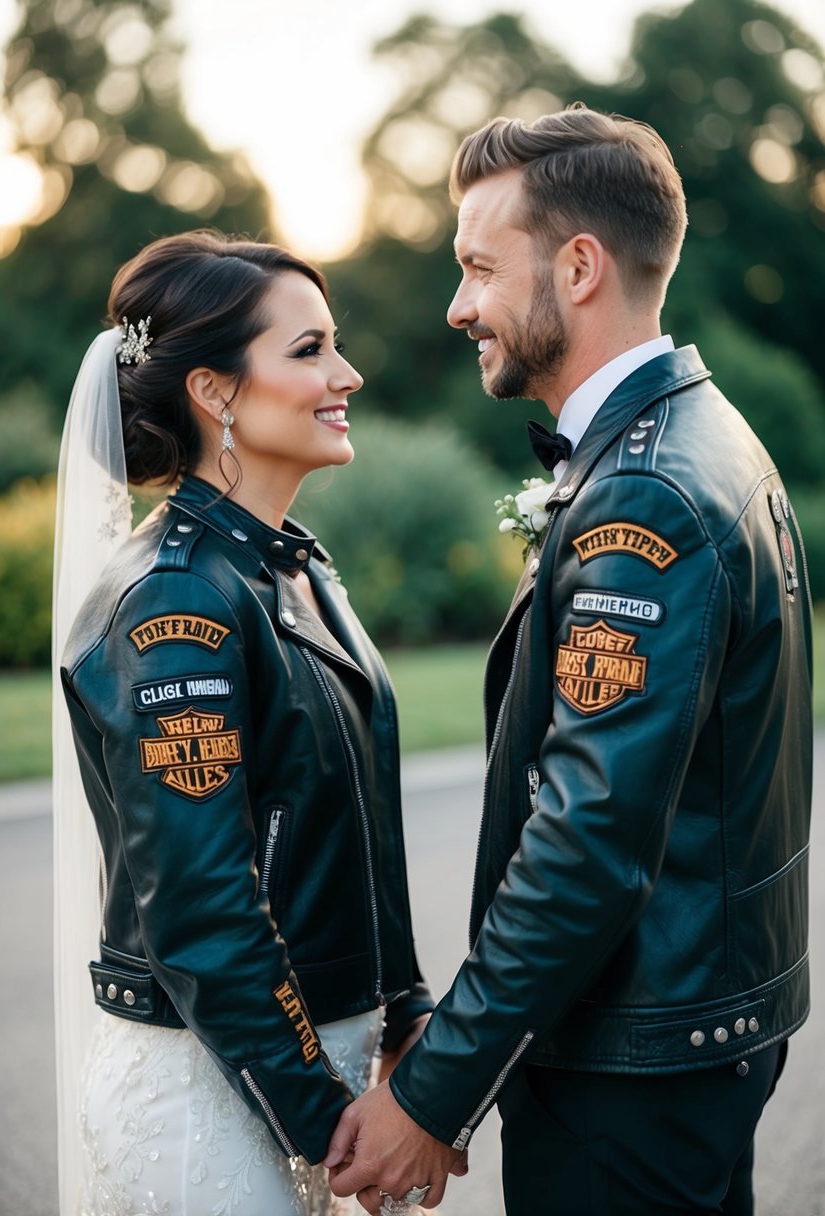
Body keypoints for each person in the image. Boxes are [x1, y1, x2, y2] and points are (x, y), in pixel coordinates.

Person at [325, 105, 814, 1215]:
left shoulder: (642, 493)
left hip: (631, 1068)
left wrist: (433, 1093)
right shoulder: (704, 433)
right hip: (687, 1032)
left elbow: (587, 842)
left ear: (579, 266)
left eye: (479, 268)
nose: (459, 307)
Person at [52, 230, 435, 1216]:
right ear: (215, 393)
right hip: (209, 1096)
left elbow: (362, 816)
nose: (345, 372)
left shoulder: (295, 567)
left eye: (334, 343)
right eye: (307, 350)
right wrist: (323, 1118)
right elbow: (203, 907)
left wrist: (403, 1010)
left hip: (315, 1066)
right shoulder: (173, 606)